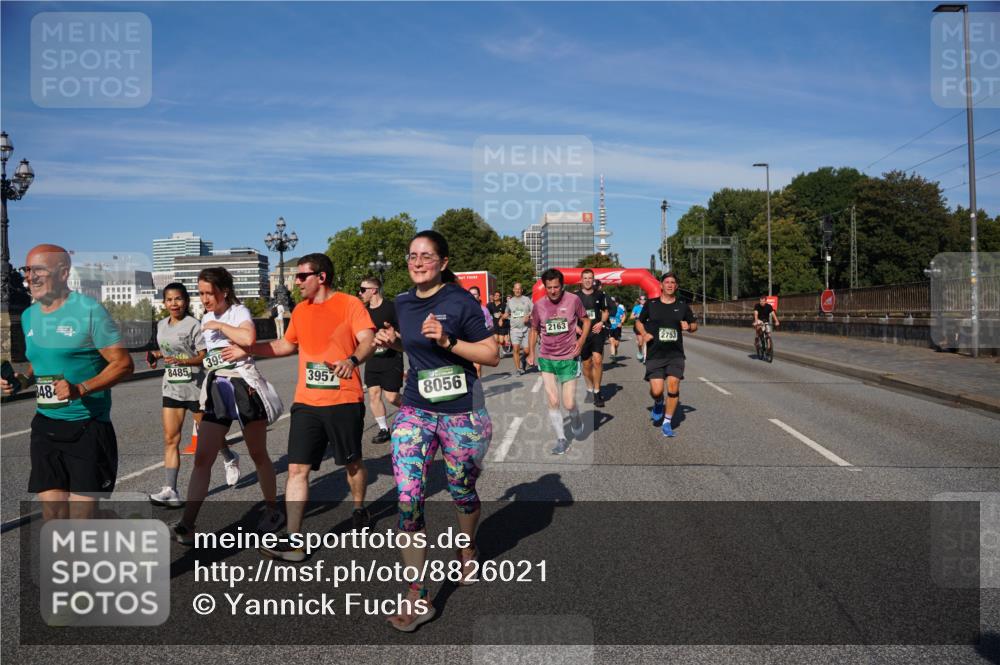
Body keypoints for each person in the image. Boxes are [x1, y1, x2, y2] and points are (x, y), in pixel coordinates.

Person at [374, 230, 498, 632]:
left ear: (443, 263)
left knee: (462, 490)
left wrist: (448, 339)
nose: (417, 261)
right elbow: (415, 350)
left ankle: (467, 546)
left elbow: (492, 355)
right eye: (412, 255)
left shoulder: (462, 302)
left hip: (462, 413)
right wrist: (393, 344)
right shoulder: (404, 303)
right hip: (416, 411)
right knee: (409, 497)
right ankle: (417, 593)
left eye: (426, 256)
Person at [234, 254, 378, 562]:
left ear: (321, 277)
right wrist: (248, 349)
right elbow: (286, 345)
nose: (295, 282)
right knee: (297, 469)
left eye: (301, 276)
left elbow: (368, 340)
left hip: (344, 399)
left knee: (352, 465)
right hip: (307, 402)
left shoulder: (350, 304)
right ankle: (295, 540)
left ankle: (358, 506)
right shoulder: (300, 310)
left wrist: (352, 360)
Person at [1, 244, 133, 520]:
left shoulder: (89, 311)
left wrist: (81, 388)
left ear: (63, 273)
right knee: (55, 517)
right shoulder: (29, 316)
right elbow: (40, 361)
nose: (29, 277)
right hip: (46, 427)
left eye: (38, 270)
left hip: (87, 427)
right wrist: (22, 381)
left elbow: (123, 364)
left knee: (82, 521)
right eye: (27, 270)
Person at [171, 267, 284, 544]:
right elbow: (208, 356)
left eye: (209, 293)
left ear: (224, 291)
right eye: (201, 293)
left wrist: (221, 327)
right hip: (218, 389)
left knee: (259, 455)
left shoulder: (238, 312)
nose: (205, 299)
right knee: (202, 458)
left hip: (243, 388)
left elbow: (248, 339)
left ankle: (272, 511)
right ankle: (188, 523)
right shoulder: (206, 316)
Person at [146, 283, 207, 507]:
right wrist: (156, 355)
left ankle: (229, 455)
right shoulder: (161, 325)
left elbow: (203, 356)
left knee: (211, 438)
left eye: (178, 299)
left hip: (195, 388)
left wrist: (182, 361)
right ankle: (171, 489)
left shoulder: (194, 325)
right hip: (171, 387)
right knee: (171, 439)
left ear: (186, 302)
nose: (174, 304)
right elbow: (167, 350)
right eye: (170, 300)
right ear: (164, 303)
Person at [526, 268, 590, 455]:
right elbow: (534, 330)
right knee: (553, 400)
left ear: (562, 286)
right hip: (546, 357)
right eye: (549, 288)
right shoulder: (539, 305)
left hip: (568, 357)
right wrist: (531, 352)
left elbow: (585, 321)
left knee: (569, 403)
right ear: (544, 287)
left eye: (556, 287)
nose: (553, 291)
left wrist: (581, 341)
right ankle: (561, 439)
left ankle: (576, 418)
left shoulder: (573, 300)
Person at [635, 273, 697, 438]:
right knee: (657, 390)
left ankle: (667, 422)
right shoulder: (651, 304)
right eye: (667, 282)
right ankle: (658, 402)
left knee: (673, 386)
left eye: (673, 283)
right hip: (655, 354)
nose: (670, 285)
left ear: (676, 287)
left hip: (675, 354)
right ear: (661, 285)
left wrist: (689, 326)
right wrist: (644, 333)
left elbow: (694, 325)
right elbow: (639, 322)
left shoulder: (682, 305)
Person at [360, 276, 403, 444]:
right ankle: (384, 429)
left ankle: (416, 412)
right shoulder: (363, 312)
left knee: (392, 397)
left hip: (392, 357)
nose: (360, 293)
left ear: (374, 290)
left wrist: (393, 335)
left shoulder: (392, 308)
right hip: (373, 359)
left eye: (363, 290)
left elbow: (403, 333)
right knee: (373, 394)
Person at [575, 269, 609, 407]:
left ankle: (597, 391)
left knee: (598, 360)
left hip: (596, 331)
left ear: (593, 280)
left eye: (590, 278)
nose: (588, 280)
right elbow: (570, 314)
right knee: (586, 364)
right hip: (582, 333)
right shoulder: (575, 296)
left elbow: (605, 311)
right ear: (581, 280)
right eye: (585, 278)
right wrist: (575, 327)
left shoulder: (600, 295)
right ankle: (589, 388)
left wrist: (601, 322)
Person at [504, 282, 534, 375]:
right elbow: (507, 312)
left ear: (522, 290)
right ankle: (518, 369)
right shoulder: (510, 301)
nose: (517, 290)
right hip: (514, 329)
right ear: (513, 290)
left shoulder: (527, 300)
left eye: (519, 289)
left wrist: (529, 315)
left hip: (526, 328)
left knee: (527, 350)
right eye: (516, 289)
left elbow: (534, 311)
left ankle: (523, 358)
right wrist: (502, 318)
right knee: (516, 349)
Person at [467, 286, 492, 379]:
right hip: (465, 341)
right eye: (470, 294)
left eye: (475, 294)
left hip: (478, 341)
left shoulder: (484, 309)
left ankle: (477, 385)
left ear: (479, 296)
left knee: (477, 366)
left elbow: (490, 324)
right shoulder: (464, 309)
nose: (472, 296)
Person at [629, 295, 647, 360]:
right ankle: (640, 352)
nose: (643, 301)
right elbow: (631, 317)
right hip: (638, 326)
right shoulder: (636, 307)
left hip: (646, 326)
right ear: (639, 300)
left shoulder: (648, 307)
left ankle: (645, 357)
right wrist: (637, 315)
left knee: (645, 341)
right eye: (641, 299)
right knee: (640, 343)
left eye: (644, 299)